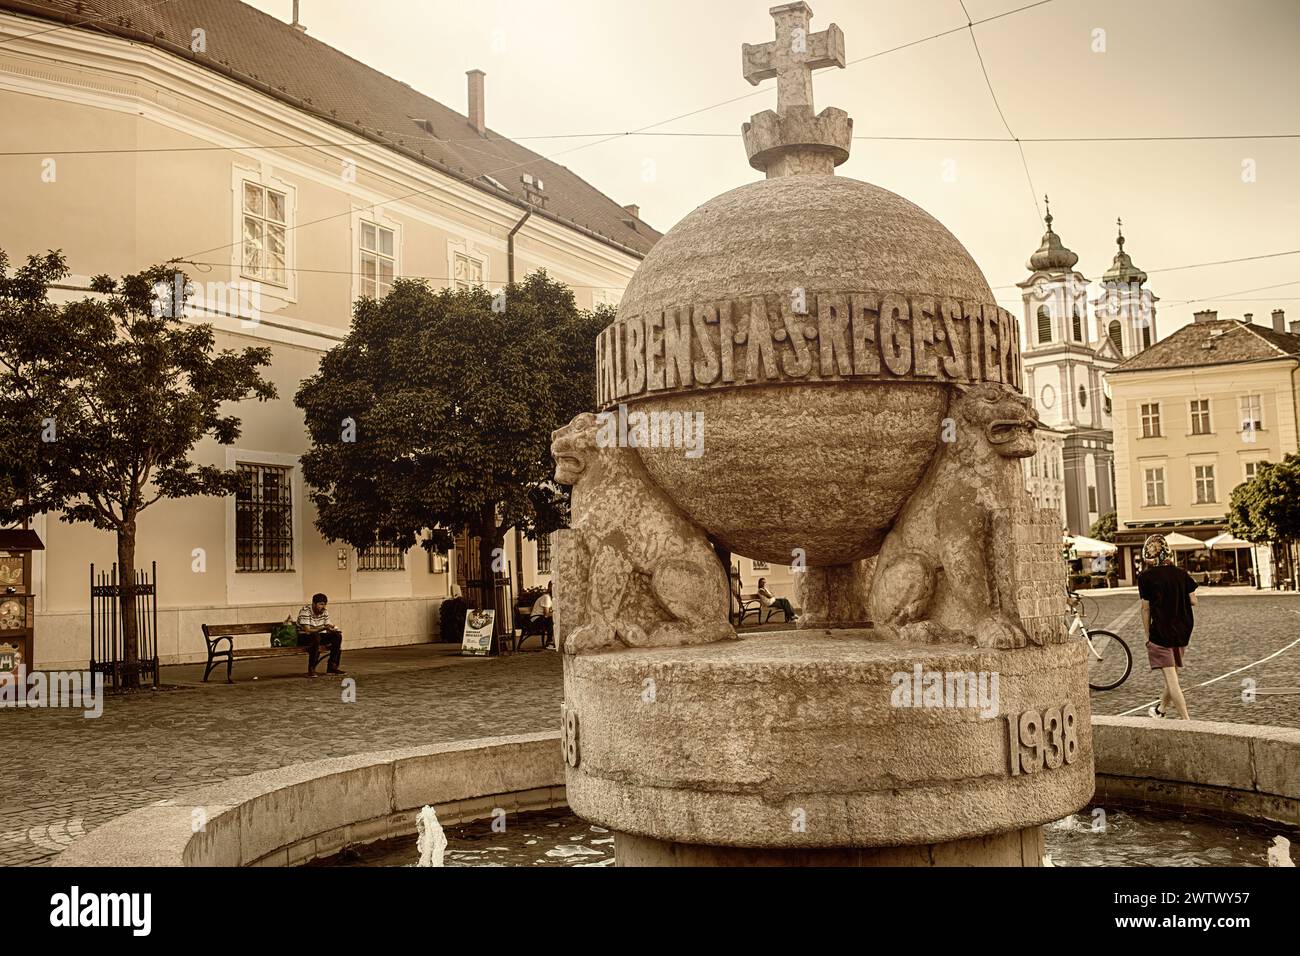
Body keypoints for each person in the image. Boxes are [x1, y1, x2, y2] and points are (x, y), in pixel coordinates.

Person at [1137, 534, 1197, 719]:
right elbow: (1194, 601)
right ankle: (1160, 710)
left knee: (1172, 680)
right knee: (1173, 676)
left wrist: (1147, 634)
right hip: (1182, 630)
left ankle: (1187, 721)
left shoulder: (1145, 577)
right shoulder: (1181, 573)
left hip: (1161, 633)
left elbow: (1145, 608)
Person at [297, 592, 345, 678]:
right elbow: (307, 630)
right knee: (316, 637)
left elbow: (327, 625)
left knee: (337, 636)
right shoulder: (305, 611)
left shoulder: (324, 612)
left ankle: (332, 666)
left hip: (318, 635)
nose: (323, 607)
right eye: (321, 604)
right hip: (304, 637)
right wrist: (323, 628)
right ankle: (311, 668)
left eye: (324, 604)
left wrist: (331, 629)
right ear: (314, 604)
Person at [530, 580, 554, 648]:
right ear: (550, 588)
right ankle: (549, 642)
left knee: (554, 619)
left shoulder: (551, 598)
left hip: (541, 619)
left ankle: (555, 641)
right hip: (534, 621)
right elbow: (546, 614)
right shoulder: (546, 597)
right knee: (551, 619)